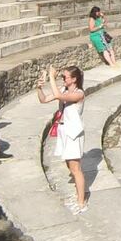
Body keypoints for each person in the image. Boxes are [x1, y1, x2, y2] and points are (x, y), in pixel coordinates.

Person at [37, 66, 88, 213]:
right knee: (69, 166)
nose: (63, 79)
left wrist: (51, 77)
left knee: (76, 169)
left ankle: (81, 202)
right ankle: (79, 196)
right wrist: (39, 88)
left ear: (74, 79)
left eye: (65, 77)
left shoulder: (79, 94)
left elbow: (58, 96)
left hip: (73, 133)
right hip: (64, 131)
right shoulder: (64, 90)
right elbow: (44, 100)